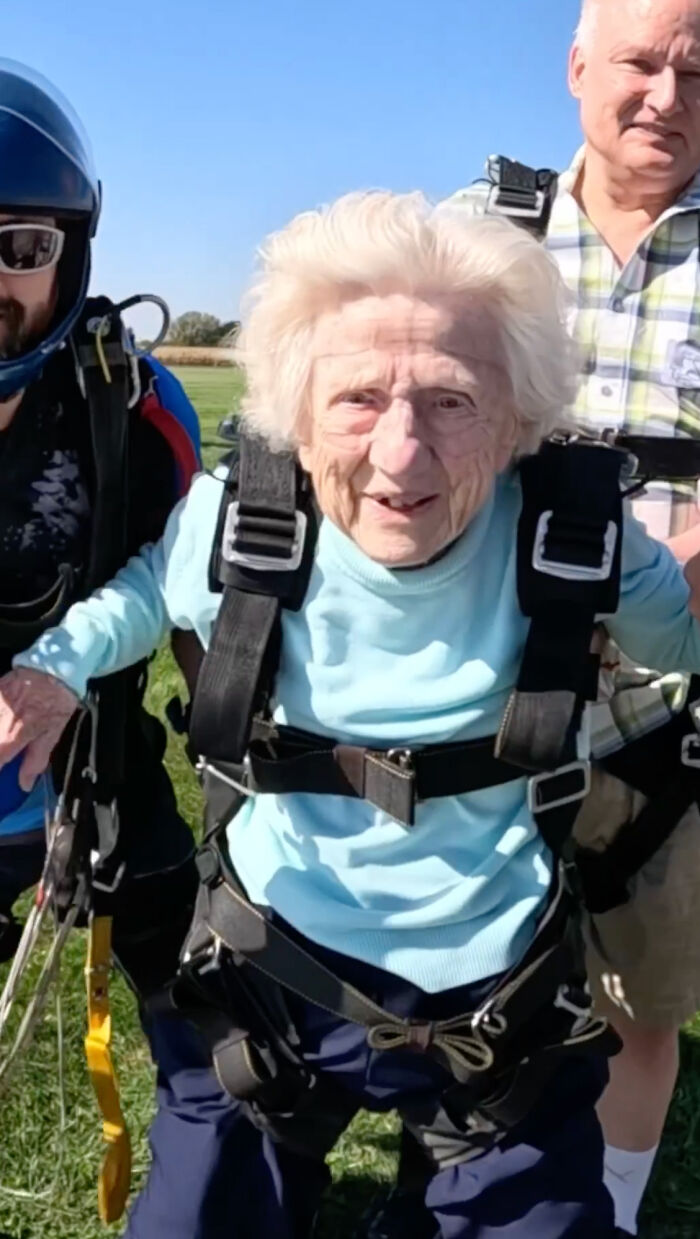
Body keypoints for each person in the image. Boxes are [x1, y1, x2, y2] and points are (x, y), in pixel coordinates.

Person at [3, 190, 700, 1239]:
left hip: (498, 1008)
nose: (401, 456)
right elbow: (147, 594)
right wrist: (52, 670)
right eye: (358, 400)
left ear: (518, 417)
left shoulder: (578, 538)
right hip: (270, 985)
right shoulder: (248, 522)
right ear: (294, 406)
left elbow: (684, 646)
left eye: (452, 400)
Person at [362, 5, 700, 1238]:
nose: (665, 93)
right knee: (439, 980)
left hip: (666, 720)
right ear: (574, 67)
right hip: (470, 692)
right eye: (639, 60)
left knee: (640, 999)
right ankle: (444, 1188)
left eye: (698, 70)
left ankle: (604, 1212)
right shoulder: (480, 226)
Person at [0, 59, 233, 1237]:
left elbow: (198, 615)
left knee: (226, 1065)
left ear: (71, 256)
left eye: (18, 245)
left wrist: (247, 819)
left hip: (98, 796)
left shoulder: (132, 410)